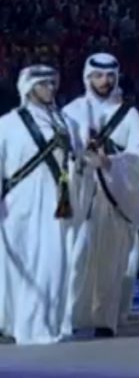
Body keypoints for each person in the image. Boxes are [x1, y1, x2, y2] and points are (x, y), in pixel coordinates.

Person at [63, 53, 139, 337]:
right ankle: (72, 317)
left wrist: (110, 163)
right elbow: (62, 154)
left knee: (111, 263)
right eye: (98, 76)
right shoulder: (72, 112)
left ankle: (104, 320)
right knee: (77, 258)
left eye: (110, 76)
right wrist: (79, 160)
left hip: (115, 198)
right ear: (88, 78)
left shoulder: (129, 114)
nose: (105, 81)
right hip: (81, 195)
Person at [0, 65, 87, 344]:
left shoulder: (66, 124)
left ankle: (42, 324)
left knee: (52, 263)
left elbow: (77, 161)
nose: (50, 88)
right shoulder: (7, 124)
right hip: (18, 204)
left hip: (56, 203)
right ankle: (12, 324)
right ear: (28, 88)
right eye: (43, 84)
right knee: (15, 267)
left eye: (53, 83)